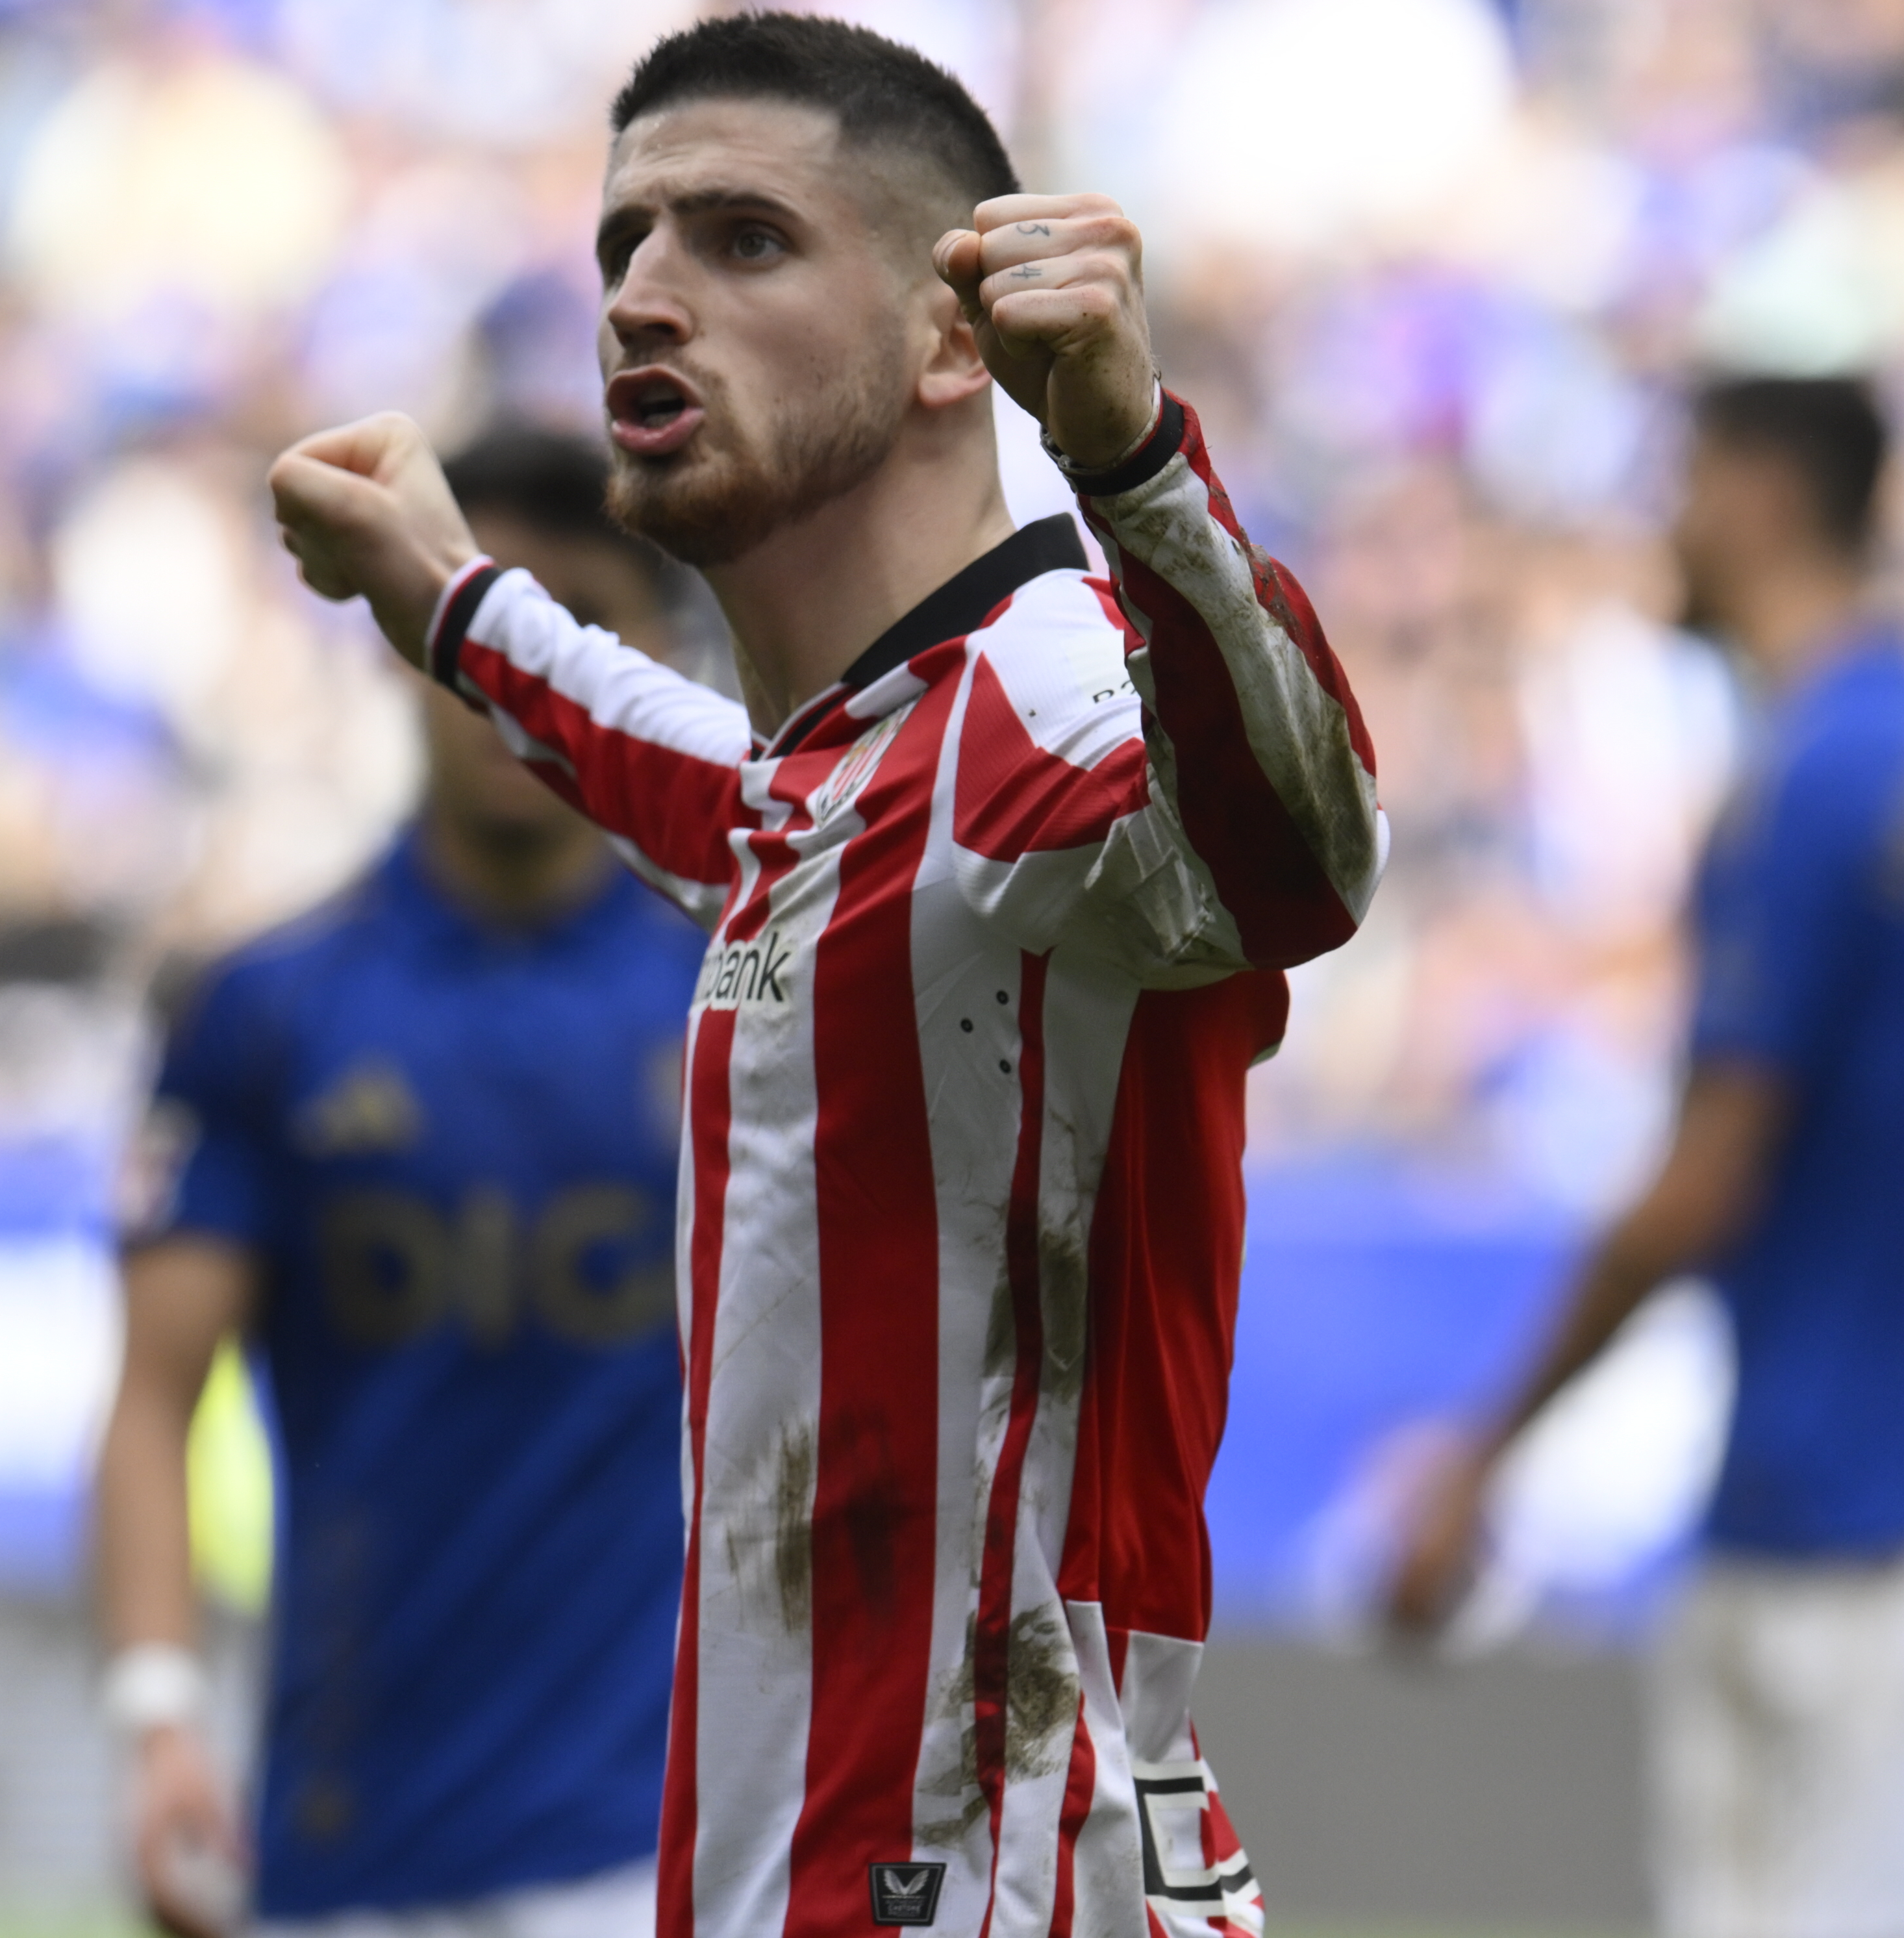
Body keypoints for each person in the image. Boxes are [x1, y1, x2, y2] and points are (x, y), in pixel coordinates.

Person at [266, 15, 1383, 1937]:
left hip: (997, 1876)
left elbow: (1305, 852)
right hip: (833, 1867)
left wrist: (1131, 454)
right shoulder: (865, 762)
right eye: (624, 243)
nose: (642, 296)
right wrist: (449, 600)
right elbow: (734, 805)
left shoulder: (1048, 693)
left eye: (744, 239)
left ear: (957, 339)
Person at [94, 429, 705, 1938]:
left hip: (665, 1852)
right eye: (477, 610)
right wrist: (156, 1713)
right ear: (403, 639)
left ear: (649, 659)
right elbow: (153, 1393)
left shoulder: (751, 995)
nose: (514, 672)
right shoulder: (265, 1008)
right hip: (345, 1842)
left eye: (578, 617)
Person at [1387, 376, 1904, 1937]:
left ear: (1761, 492)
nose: (1666, 526)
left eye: (1685, 483)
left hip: (1833, 1527)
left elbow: (1701, 1178)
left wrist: (1482, 1452)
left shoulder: (1814, 780)